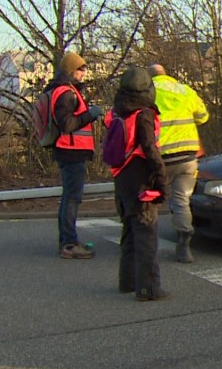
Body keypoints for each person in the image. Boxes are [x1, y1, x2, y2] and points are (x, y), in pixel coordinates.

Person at [106, 66, 170, 302]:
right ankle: (149, 288)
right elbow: (150, 150)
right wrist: (162, 182)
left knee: (129, 233)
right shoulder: (143, 115)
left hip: (121, 179)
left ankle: (128, 282)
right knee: (146, 236)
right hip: (141, 180)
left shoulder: (117, 113)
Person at [148, 64, 210, 263]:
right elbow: (203, 116)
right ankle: (184, 241)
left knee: (150, 201)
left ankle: (146, 245)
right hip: (188, 157)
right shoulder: (185, 90)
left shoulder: (148, 91)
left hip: (160, 157)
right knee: (182, 200)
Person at [46, 51, 103, 259]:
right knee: (72, 198)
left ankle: (67, 241)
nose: (83, 73)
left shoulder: (64, 90)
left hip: (69, 150)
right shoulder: (66, 93)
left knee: (68, 197)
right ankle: (69, 244)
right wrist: (91, 115)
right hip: (71, 151)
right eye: (80, 69)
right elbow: (68, 124)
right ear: (70, 70)